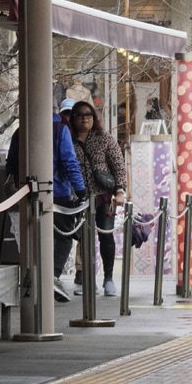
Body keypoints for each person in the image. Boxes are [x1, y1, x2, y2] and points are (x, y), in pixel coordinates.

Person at [69, 99, 127, 297]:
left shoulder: (104, 138)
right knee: (84, 238)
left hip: (104, 196)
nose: (84, 118)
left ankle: (108, 278)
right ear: (73, 118)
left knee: (106, 235)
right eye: (79, 115)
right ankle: (87, 279)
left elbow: (118, 165)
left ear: (94, 117)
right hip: (79, 197)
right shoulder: (68, 139)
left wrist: (120, 191)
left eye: (88, 114)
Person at [53, 99, 89, 301]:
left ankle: (37, 278)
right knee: (64, 237)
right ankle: (52, 276)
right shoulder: (60, 130)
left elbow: (12, 162)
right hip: (58, 193)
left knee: (35, 239)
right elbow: (69, 162)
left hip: (25, 193)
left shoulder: (23, 129)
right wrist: (81, 190)